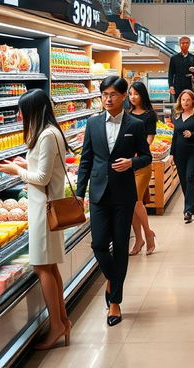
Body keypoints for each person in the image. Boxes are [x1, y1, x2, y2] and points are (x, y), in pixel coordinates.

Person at [0, 89, 72, 350]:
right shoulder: (50, 131)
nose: (20, 115)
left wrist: (17, 170)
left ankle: (56, 326)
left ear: (33, 111)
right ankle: (62, 321)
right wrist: (26, 163)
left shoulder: (47, 135)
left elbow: (42, 179)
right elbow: (44, 168)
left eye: (22, 111)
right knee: (50, 267)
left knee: (42, 267)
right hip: (46, 207)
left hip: (44, 211)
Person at [75, 76, 152, 327]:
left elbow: (147, 157)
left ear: (123, 96)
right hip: (97, 193)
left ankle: (115, 302)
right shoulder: (93, 123)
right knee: (98, 245)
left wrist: (132, 162)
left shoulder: (136, 124)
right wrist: (79, 192)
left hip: (123, 194)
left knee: (120, 246)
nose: (108, 99)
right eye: (104, 94)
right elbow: (86, 160)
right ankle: (113, 279)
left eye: (113, 95)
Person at [127, 81, 157, 257]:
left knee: (136, 201)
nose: (133, 97)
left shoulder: (149, 115)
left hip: (142, 163)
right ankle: (139, 239)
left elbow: (150, 137)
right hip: (127, 164)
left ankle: (148, 234)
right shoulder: (126, 114)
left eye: (136, 94)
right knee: (131, 203)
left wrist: (138, 152)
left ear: (143, 95)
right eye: (130, 94)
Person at [171, 89, 194, 223]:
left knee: (189, 177)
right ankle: (191, 200)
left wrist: (193, 134)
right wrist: (171, 154)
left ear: (193, 101)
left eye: (188, 99)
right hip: (179, 154)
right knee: (183, 180)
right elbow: (175, 136)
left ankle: (188, 210)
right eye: (183, 99)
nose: (185, 102)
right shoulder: (177, 116)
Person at [168, 36, 194, 101]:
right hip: (177, 85)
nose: (185, 45)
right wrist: (171, 86)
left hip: (189, 85)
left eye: (187, 43)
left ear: (189, 44)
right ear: (179, 44)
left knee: (189, 102)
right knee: (177, 104)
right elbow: (170, 73)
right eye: (183, 43)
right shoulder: (174, 58)